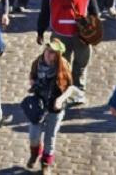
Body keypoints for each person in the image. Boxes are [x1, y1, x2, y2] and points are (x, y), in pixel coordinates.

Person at [38, 0, 99, 97]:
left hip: (59, 35)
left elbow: (44, 14)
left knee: (61, 65)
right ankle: (79, 91)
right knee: (81, 65)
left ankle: (63, 89)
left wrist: (40, 32)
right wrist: (93, 33)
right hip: (81, 35)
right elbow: (95, 12)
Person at [25, 38, 77, 173]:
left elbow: (71, 88)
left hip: (55, 108)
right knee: (33, 136)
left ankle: (45, 164)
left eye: (52, 52)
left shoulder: (63, 66)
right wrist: (31, 81)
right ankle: (35, 153)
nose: (48, 54)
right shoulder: (38, 62)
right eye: (47, 50)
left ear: (58, 55)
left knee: (50, 138)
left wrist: (60, 99)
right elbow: (32, 75)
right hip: (39, 105)